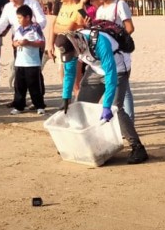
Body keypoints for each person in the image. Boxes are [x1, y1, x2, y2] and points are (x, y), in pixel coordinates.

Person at [55, 31, 148, 164]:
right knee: (80, 105)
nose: (73, 56)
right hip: (95, 69)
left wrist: (106, 106)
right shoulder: (71, 45)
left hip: (118, 69)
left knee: (116, 108)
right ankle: (81, 143)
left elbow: (111, 75)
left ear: (78, 43)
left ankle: (138, 147)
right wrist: (66, 97)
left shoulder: (100, 42)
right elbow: (69, 72)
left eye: (73, 53)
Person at [89, 0, 136, 121]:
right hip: (106, 54)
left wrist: (117, 41)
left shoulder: (120, 5)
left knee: (124, 89)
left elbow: (130, 27)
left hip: (120, 53)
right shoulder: (100, 9)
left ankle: (129, 121)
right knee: (118, 88)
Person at [0, 0, 48, 94]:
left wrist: (33, 27)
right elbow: (3, 21)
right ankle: (19, 100)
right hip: (17, 39)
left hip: (33, 38)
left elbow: (42, 20)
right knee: (19, 69)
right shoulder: (8, 7)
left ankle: (38, 98)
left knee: (34, 70)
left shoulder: (32, 3)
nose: (13, 0)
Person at [10, 5, 47, 115]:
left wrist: (29, 43)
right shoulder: (18, 29)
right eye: (17, 18)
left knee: (34, 86)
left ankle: (39, 106)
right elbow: (13, 42)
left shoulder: (35, 28)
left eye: (20, 17)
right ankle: (19, 106)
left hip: (32, 62)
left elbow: (41, 43)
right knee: (19, 86)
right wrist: (16, 43)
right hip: (20, 62)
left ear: (28, 17)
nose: (18, 20)